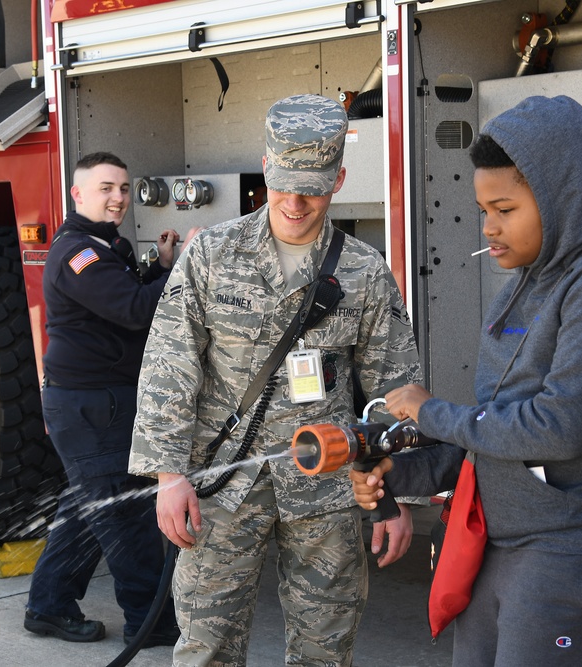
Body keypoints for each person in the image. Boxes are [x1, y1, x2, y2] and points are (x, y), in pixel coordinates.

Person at [351, 95, 582, 666]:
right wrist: (397, 473)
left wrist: (431, 413)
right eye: (483, 209)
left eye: (504, 208)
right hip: (504, 542)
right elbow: (494, 438)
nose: (489, 227)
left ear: (559, 197)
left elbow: (559, 428)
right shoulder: (521, 287)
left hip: (575, 547)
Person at [128, 93, 422, 667]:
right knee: (206, 649)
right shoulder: (212, 254)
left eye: (312, 187)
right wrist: (168, 476)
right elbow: (169, 365)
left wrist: (394, 494)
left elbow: (396, 387)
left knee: (326, 652)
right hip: (221, 489)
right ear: (266, 164)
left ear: (339, 177)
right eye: (284, 183)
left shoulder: (363, 271)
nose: (294, 201)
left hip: (326, 492)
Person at [25, 151, 184, 647]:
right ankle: (150, 624)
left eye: (123, 188)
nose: (118, 198)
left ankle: (48, 606)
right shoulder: (79, 253)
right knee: (127, 515)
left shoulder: (102, 245)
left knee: (89, 509)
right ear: (77, 194)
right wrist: (188, 270)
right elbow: (136, 310)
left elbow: (128, 293)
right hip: (92, 409)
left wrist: (161, 265)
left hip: (95, 404)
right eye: (105, 188)